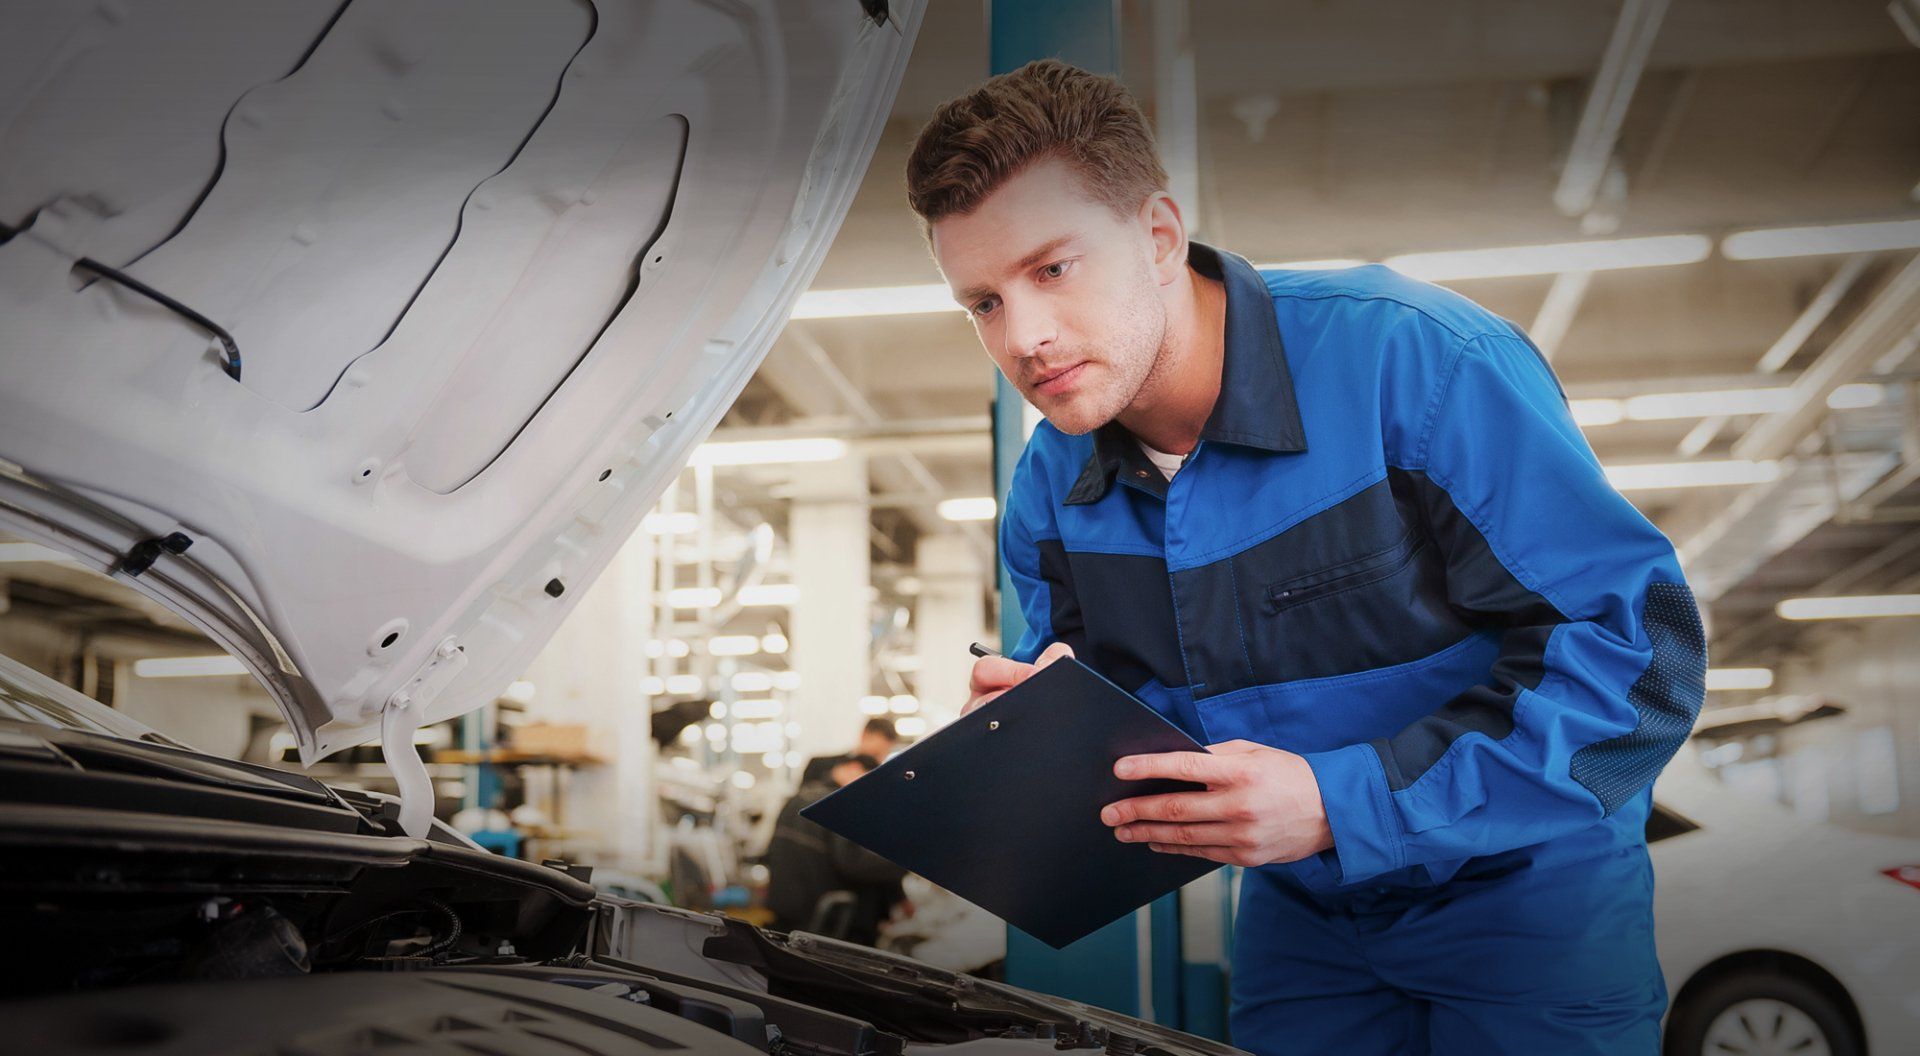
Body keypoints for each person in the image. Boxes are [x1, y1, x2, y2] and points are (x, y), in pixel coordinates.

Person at [911, 60, 1705, 1055]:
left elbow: (1643, 667)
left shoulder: (1417, 366)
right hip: (1305, 919)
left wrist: (1342, 803)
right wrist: (1036, 734)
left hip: (1529, 899)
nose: (1023, 335)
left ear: (1158, 236)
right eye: (982, 302)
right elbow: (1125, 728)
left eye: (1053, 269)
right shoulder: (1051, 488)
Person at [764, 754, 906, 945]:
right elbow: (853, 863)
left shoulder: (797, 798)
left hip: (786, 910)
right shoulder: (838, 805)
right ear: (854, 768)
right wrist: (905, 862)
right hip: (824, 918)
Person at [800, 717, 900, 785]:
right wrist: (833, 778)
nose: (877, 759)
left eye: (884, 754)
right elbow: (799, 804)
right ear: (864, 735)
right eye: (876, 752)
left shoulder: (886, 778)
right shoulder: (819, 765)